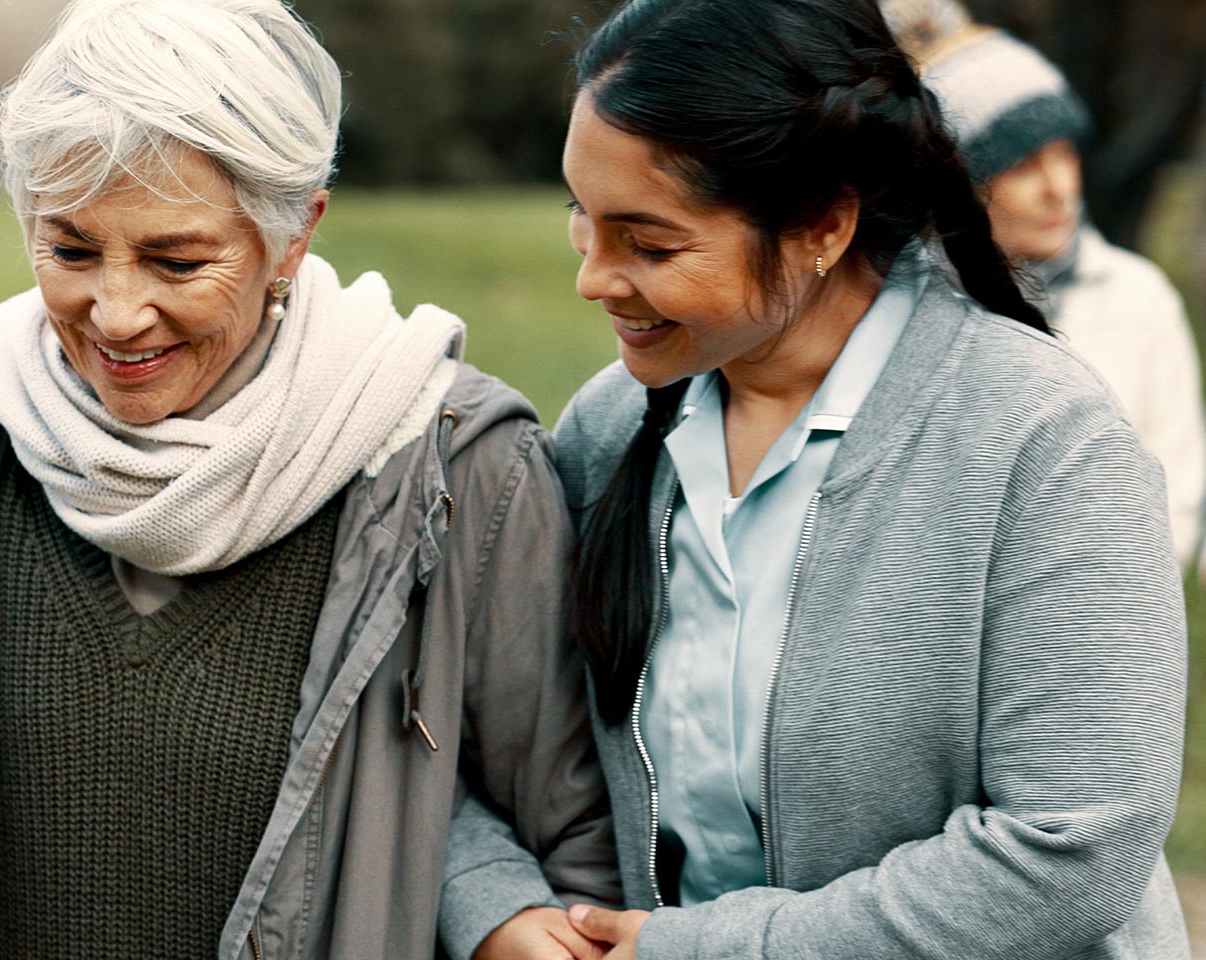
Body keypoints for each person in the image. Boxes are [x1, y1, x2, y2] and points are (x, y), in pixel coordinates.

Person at [0, 1, 617, 957]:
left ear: (292, 236)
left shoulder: (457, 468)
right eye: (72, 249)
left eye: (176, 260)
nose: (117, 312)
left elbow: (571, 849)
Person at [460, 0, 1189, 957]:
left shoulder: (1048, 444)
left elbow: (1071, 848)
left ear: (822, 224)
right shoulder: (608, 428)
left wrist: (700, 951)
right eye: (581, 223)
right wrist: (492, 901)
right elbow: (476, 731)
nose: (594, 279)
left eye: (650, 243)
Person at [882, 0, 1206, 568]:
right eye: (1021, 165)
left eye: (1065, 153)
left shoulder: (1136, 296)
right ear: (959, 183)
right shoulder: (902, 310)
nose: (1058, 187)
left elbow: (1177, 488)